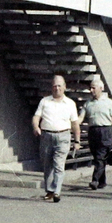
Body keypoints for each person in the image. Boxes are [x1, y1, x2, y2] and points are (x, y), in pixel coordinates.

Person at [32, 74, 80, 203]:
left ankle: (57, 191)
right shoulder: (45, 101)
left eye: (59, 86)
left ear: (64, 87)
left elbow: (75, 124)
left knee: (59, 165)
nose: (57, 88)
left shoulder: (70, 103)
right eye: (54, 86)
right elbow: (36, 116)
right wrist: (36, 126)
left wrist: (77, 141)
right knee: (47, 164)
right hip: (46, 136)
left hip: (63, 136)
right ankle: (49, 191)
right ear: (51, 88)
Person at [80, 80, 112, 191]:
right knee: (97, 156)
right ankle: (102, 181)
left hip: (106, 131)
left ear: (101, 88)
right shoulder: (88, 103)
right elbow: (81, 118)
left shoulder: (108, 102)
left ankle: (95, 180)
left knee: (100, 156)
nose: (91, 90)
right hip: (93, 131)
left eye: (94, 88)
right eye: (91, 88)